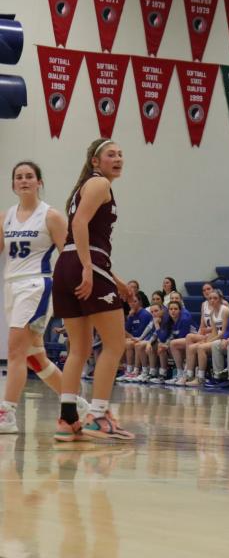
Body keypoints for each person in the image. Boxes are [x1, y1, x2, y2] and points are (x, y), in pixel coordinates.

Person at [51, 139, 134, 441]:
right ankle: (98, 414)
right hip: (87, 265)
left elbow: (80, 238)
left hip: (68, 265)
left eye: (121, 153)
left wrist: (115, 276)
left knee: (79, 349)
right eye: (111, 154)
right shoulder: (99, 184)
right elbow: (81, 224)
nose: (118, 158)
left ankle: (67, 417)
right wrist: (89, 267)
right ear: (96, 162)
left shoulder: (86, 186)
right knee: (114, 345)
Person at [0, 161, 89, 433]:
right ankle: (76, 404)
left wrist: (73, 289)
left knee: (15, 350)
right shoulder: (7, 216)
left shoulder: (50, 216)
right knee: (34, 357)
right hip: (12, 286)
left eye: (29, 176)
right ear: (13, 184)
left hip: (36, 286)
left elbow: (68, 255)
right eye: (19, 177)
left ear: (39, 182)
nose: (24, 180)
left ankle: (7, 414)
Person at [184, 288, 229, 387]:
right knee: (192, 347)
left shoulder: (225, 310)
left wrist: (206, 342)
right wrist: (207, 340)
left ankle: (201, 378)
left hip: (225, 339)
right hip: (217, 338)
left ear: (220, 299)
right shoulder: (212, 312)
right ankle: (189, 375)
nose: (212, 300)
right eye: (210, 298)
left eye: (215, 298)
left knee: (201, 348)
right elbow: (214, 332)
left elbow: (224, 332)